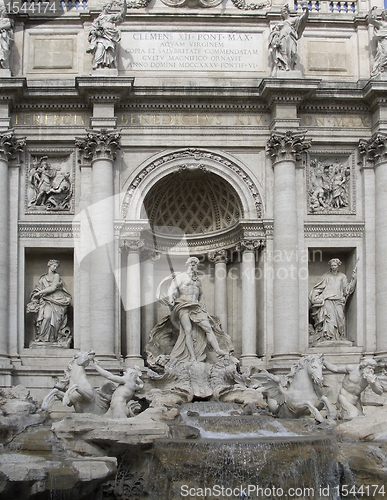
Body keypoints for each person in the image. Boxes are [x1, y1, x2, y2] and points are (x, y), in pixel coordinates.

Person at [166, 257, 229, 363]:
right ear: (187, 265)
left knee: (208, 328)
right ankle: (192, 356)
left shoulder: (198, 281)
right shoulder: (181, 277)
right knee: (188, 331)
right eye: (191, 263)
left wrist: (202, 304)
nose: (193, 265)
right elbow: (172, 288)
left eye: (195, 264)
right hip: (183, 305)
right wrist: (171, 298)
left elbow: (201, 294)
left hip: (195, 306)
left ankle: (217, 350)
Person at [309, 258, 356, 343]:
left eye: (335, 265)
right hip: (328, 300)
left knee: (340, 318)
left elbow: (346, 289)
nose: (333, 267)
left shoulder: (342, 276)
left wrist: (354, 280)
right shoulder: (326, 276)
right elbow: (319, 287)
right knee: (329, 319)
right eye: (332, 266)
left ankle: (339, 336)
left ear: (338, 266)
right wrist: (314, 296)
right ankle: (329, 337)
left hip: (339, 300)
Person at [27, 260, 72, 343]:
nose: (55, 268)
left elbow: (53, 288)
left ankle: (52, 338)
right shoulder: (43, 278)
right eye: (54, 266)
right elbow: (38, 288)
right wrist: (35, 295)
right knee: (46, 317)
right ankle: (42, 337)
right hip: (45, 301)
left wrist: (40, 293)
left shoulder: (56, 276)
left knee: (53, 320)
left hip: (56, 301)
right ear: (49, 265)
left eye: (56, 267)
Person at [268, 3, 309, 74]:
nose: (284, 13)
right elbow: (274, 32)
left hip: (291, 38)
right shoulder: (280, 23)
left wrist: (306, 10)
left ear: (288, 11)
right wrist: (275, 36)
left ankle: (291, 67)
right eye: (282, 12)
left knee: (293, 52)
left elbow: (303, 19)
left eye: (285, 11)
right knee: (283, 53)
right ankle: (285, 66)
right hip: (282, 38)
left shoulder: (293, 20)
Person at [86, 0, 127, 70]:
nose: (109, 8)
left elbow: (122, 15)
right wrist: (96, 32)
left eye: (110, 7)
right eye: (108, 6)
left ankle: (108, 64)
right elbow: (92, 29)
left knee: (110, 49)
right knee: (100, 47)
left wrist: (125, 4)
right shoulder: (98, 19)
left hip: (110, 37)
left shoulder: (110, 17)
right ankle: (98, 63)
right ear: (104, 7)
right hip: (102, 37)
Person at [368, 7, 387, 78]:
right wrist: (372, 12)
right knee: (385, 53)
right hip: (384, 40)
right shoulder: (382, 24)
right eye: (385, 14)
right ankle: (381, 67)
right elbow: (371, 20)